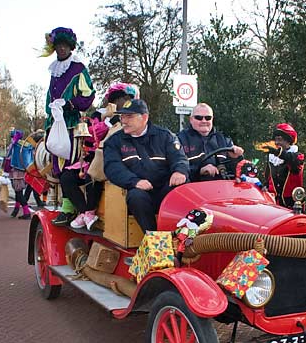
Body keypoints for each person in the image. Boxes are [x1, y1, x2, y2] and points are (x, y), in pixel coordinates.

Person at [103, 99, 189, 232]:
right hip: (139, 191)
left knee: (182, 187)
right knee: (136, 197)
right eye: (122, 117)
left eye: (129, 116)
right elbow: (112, 168)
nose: (124, 121)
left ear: (144, 117)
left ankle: (180, 236)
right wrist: (134, 181)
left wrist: (180, 171)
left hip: (164, 189)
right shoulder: (114, 142)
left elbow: (179, 157)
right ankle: (153, 238)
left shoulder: (165, 136)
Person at [62, 83, 138, 231]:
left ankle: (90, 211)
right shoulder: (99, 115)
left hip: (122, 159)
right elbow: (89, 134)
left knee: (95, 175)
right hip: (96, 157)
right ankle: (84, 212)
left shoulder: (133, 115)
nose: (123, 102)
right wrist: (107, 121)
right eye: (122, 98)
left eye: (127, 99)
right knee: (67, 177)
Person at [40, 26, 96, 226]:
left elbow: (88, 94)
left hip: (72, 125)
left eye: (65, 45)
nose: (61, 49)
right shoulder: (54, 69)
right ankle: (67, 208)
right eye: (58, 46)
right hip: (55, 123)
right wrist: (52, 110)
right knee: (57, 165)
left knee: (69, 168)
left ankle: (72, 209)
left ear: (70, 46)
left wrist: (71, 104)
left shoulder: (78, 68)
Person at [177, 103, 244, 182]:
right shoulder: (180, 140)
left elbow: (237, 170)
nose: (204, 121)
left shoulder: (223, 140)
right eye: (199, 117)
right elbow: (176, 168)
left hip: (222, 189)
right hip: (192, 189)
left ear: (212, 119)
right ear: (191, 119)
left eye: (208, 118)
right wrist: (200, 171)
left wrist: (235, 158)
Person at [261, 123, 305, 209]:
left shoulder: (298, 156)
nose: (277, 143)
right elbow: (268, 177)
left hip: (292, 205)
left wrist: (277, 152)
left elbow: (292, 161)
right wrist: (266, 186)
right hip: (274, 204)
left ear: (288, 141)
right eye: (276, 140)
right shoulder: (272, 159)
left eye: (280, 140)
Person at [5, 129, 32, 220]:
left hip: (16, 171)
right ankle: (16, 209)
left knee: (19, 192)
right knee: (18, 192)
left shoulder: (14, 145)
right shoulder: (26, 145)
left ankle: (26, 212)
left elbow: (8, 156)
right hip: (25, 170)